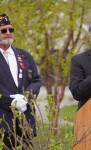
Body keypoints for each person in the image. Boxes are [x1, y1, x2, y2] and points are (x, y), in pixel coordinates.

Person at [0, 13, 41, 149]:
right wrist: (11, 101)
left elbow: (36, 80)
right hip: (3, 123)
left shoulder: (24, 55)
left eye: (11, 30)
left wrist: (26, 96)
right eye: (3, 30)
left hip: (25, 122)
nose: (8, 33)